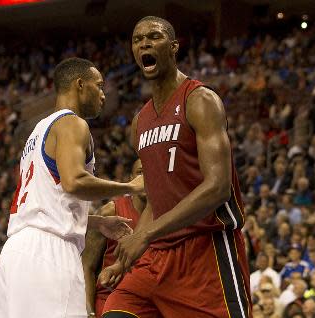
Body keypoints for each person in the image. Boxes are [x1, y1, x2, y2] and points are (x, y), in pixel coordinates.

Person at [101, 16, 252, 317]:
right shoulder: (139, 122)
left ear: (173, 47)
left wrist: (144, 235)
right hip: (157, 257)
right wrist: (125, 260)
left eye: (154, 37)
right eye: (137, 39)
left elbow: (218, 187)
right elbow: (155, 201)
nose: (144, 43)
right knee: (115, 311)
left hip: (206, 250)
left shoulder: (200, 100)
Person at [0, 57, 143, 318]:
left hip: (16, 252)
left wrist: (93, 222)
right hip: (49, 254)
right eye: (99, 86)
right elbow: (74, 182)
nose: (103, 95)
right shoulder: (73, 124)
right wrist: (130, 186)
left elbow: (48, 198)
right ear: (80, 85)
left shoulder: (37, 130)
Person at [82, 159, 145, 317]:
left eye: (149, 171)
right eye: (140, 172)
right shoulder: (111, 211)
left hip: (146, 301)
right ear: (130, 178)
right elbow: (86, 267)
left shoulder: (166, 213)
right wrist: (89, 313)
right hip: (109, 301)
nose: (145, 178)